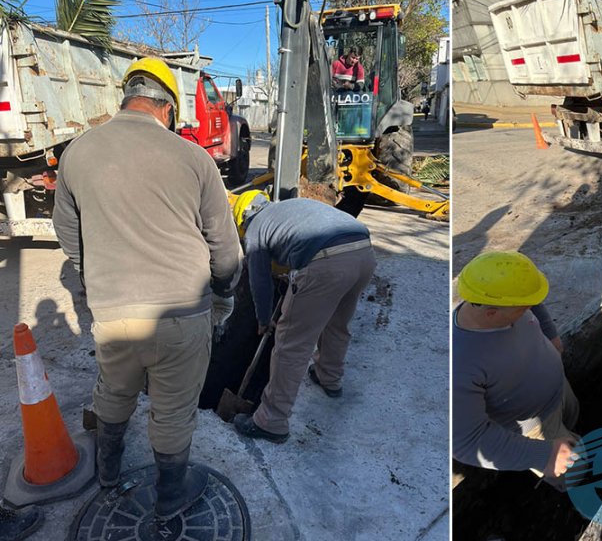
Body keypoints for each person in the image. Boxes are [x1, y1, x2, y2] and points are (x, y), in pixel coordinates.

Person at [53, 57, 243, 521]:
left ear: (127, 96)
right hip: (182, 311)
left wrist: (94, 274)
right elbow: (225, 249)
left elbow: (65, 228)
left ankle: (108, 472)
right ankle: (171, 496)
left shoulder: (78, 152)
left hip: (114, 313)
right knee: (174, 411)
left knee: (114, 391)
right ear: (168, 109)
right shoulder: (193, 157)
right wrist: (223, 290)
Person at [230, 193, 376, 443]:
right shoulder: (288, 208)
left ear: (243, 220)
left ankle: (271, 421)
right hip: (363, 253)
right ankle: (329, 377)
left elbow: (260, 280)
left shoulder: (256, 229)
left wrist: (264, 319)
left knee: (291, 344)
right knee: (337, 324)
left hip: (327, 262)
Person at [452, 251, 579, 491]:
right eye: (523, 309)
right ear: (492, 313)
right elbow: (467, 441)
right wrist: (543, 455)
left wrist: (552, 336)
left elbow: (532, 298)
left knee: (574, 421)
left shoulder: (500, 298)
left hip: (560, 390)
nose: (528, 310)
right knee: (574, 472)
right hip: (537, 430)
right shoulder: (459, 362)